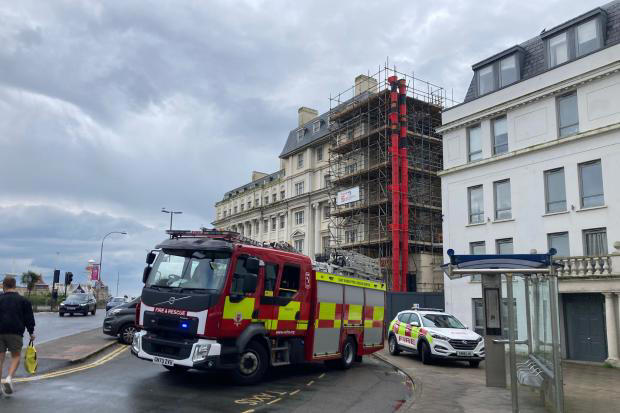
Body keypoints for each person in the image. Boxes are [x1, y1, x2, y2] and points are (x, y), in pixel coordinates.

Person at [0, 276, 35, 395]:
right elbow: (29, 318)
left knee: (0, 358)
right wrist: (31, 332)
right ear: (15, 286)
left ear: (4, 286)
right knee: (15, 356)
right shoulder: (24, 301)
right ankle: (9, 378)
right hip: (15, 332)